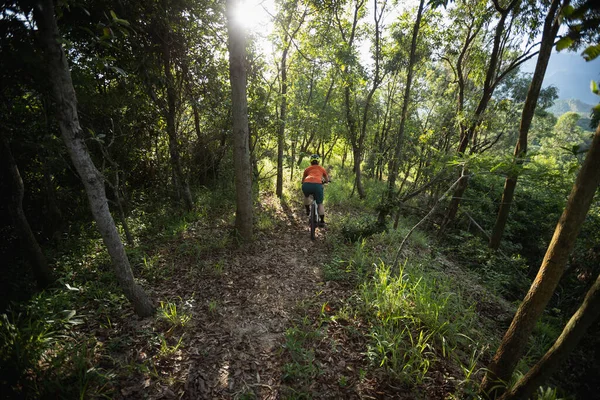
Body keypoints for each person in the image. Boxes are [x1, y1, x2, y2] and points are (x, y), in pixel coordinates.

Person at [302, 154, 330, 227]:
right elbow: (327, 180)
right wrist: (326, 182)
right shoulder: (321, 169)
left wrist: (304, 182)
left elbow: (303, 180)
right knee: (320, 203)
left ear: (311, 162)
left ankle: (308, 210)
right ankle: (322, 221)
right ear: (318, 162)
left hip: (306, 184)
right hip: (317, 185)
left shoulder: (307, 169)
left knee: (306, 196)